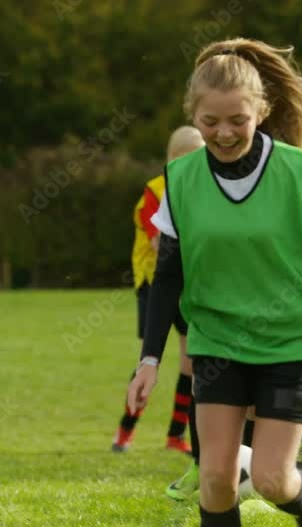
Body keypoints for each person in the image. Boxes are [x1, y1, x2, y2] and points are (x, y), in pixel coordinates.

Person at [126, 38, 302, 527]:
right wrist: (149, 360)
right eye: (209, 122)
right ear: (193, 114)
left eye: (238, 120)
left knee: (274, 480)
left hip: (290, 341)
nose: (225, 133)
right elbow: (167, 275)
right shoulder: (180, 178)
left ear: (261, 109)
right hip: (218, 340)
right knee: (215, 479)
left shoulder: (297, 172)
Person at [112, 126, 203, 454]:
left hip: (190, 288)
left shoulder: (203, 189)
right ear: (176, 158)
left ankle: (176, 435)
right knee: (149, 360)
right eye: (196, 153)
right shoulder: (156, 191)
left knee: (191, 362)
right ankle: (124, 432)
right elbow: (159, 242)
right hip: (156, 285)